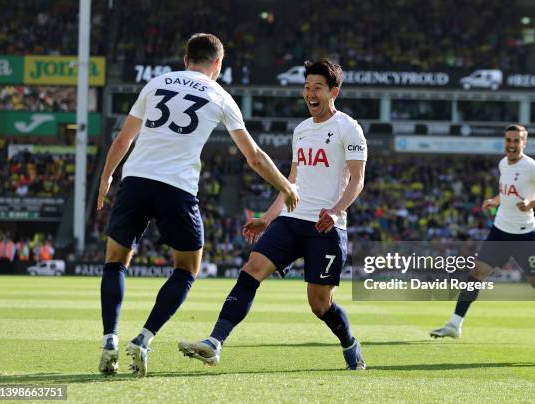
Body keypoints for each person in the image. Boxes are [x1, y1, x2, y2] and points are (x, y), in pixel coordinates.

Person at [96, 33, 299, 377]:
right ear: (217, 64)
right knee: (187, 268)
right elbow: (253, 157)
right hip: (176, 188)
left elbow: (123, 138)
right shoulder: (219, 96)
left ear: (185, 58)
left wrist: (106, 178)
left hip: (135, 180)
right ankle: (143, 338)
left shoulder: (155, 84)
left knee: (115, 261)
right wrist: (286, 185)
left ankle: (109, 340)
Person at [178, 58, 368, 370]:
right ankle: (214, 342)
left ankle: (350, 343)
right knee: (252, 267)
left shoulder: (349, 128)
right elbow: (290, 182)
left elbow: (357, 179)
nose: (310, 93)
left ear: (334, 91)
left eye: (317, 87)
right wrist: (267, 217)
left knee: (320, 305)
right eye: (306, 87)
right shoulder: (302, 130)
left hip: (326, 228)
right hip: (292, 220)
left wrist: (335, 212)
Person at [430, 124, 535, 339]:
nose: (511, 145)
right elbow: (507, 192)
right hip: (500, 230)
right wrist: (494, 200)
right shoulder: (503, 164)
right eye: (508, 140)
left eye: (516, 141)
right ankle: (455, 324)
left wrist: (532, 203)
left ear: (524, 143)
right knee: (476, 274)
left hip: (525, 234)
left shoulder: (532, 167)